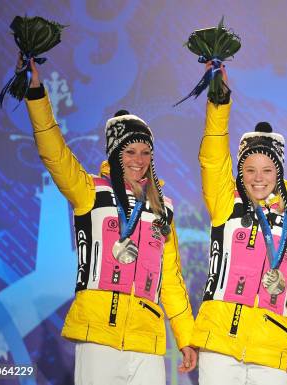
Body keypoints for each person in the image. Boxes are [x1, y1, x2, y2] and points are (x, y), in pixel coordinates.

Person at [22, 57, 196, 385]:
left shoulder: (164, 208)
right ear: (115, 153)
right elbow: (54, 154)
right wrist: (36, 95)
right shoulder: (89, 191)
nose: (139, 160)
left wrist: (185, 337)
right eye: (130, 152)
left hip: (147, 339)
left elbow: (171, 280)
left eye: (146, 152)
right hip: (98, 333)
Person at [190, 64, 287, 385]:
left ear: (279, 174)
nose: (258, 179)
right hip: (219, 342)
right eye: (250, 170)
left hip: (272, 346)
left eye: (267, 171)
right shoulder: (225, 204)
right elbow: (212, 159)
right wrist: (219, 104)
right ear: (239, 172)